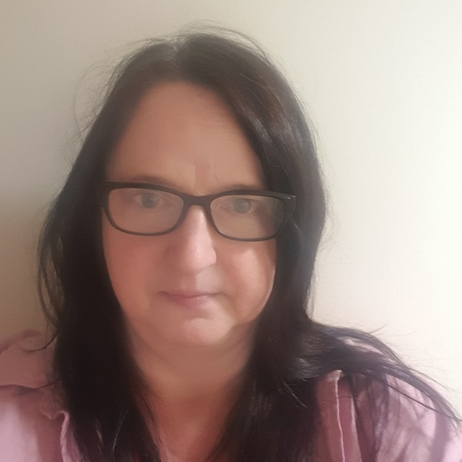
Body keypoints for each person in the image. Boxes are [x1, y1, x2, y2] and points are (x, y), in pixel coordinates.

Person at [0, 29, 460, 462]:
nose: (192, 256)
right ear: (92, 217)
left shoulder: (383, 424)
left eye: (242, 205)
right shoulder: (11, 412)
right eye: (149, 199)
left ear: (292, 233)